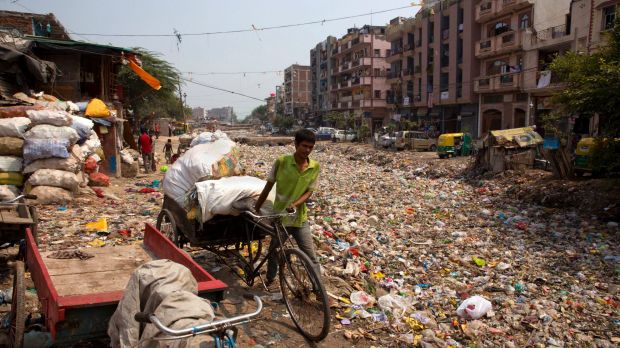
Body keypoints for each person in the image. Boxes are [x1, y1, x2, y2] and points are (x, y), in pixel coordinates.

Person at [254, 129, 321, 288]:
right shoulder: (282, 162)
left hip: (299, 219)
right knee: (274, 251)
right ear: (296, 144)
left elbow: (309, 191)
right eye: (304, 146)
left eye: (310, 147)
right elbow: (268, 186)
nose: (307, 150)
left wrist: (295, 204)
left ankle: (319, 290)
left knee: (311, 257)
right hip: (280, 217)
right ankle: (270, 279)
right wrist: (257, 208)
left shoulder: (314, 166)